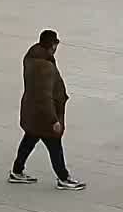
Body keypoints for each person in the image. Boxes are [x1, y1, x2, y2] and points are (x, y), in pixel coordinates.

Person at [10, 30, 84, 190]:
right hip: (43, 115)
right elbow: (44, 96)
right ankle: (63, 178)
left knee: (29, 139)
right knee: (54, 144)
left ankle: (16, 171)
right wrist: (53, 120)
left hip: (32, 111)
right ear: (52, 46)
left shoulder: (32, 57)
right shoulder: (44, 67)